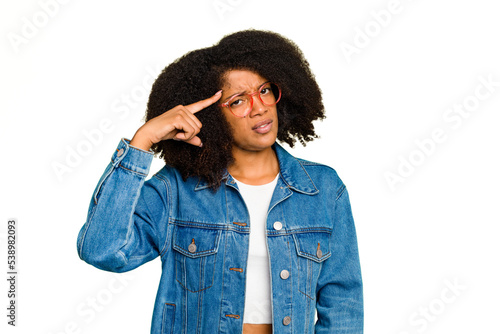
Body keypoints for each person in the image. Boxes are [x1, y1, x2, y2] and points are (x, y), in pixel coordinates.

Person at [77, 29, 363, 334]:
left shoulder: (322, 188)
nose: (260, 106)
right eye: (239, 101)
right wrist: (142, 141)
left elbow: (343, 300)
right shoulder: (176, 190)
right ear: (212, 117)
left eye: (264, 90)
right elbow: (103, 251)